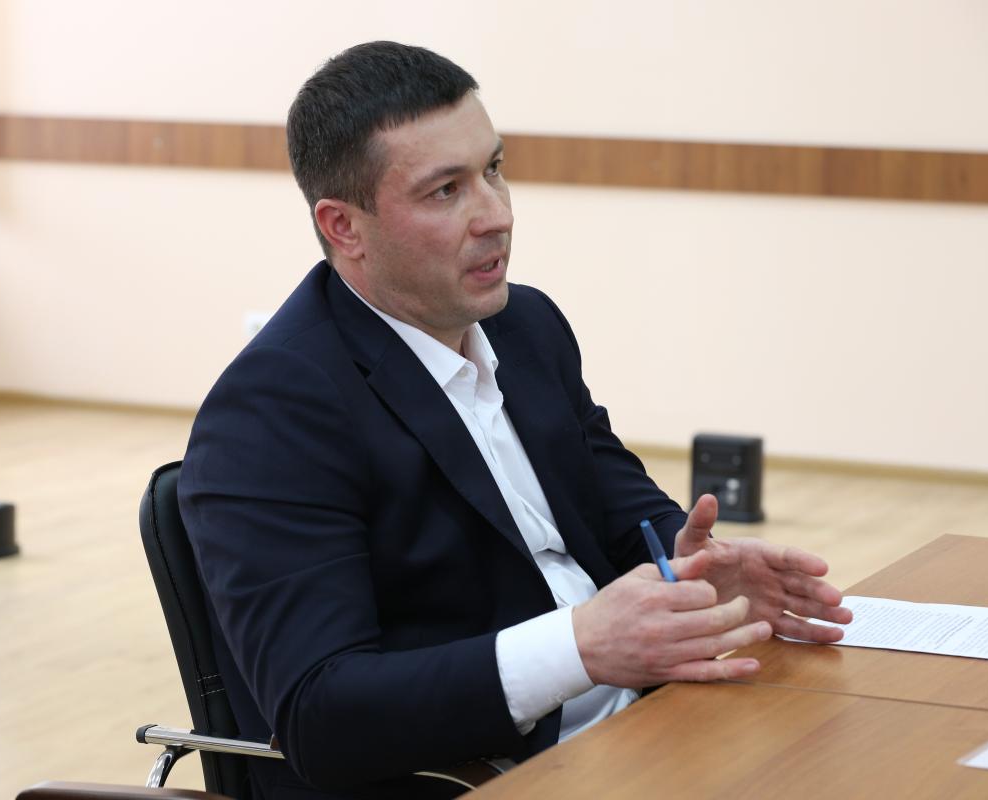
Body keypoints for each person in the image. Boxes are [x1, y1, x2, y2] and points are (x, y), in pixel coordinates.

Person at [178, 41, 852, 800]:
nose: (497, 215)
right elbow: (321, 715)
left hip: (644, 728)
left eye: (493, 169)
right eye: (445, 191)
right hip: (482, 774)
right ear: (344, 227)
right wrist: (580, 647)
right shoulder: (273, 411)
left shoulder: (526, 325)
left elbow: (618, 507)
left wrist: (693, 565)